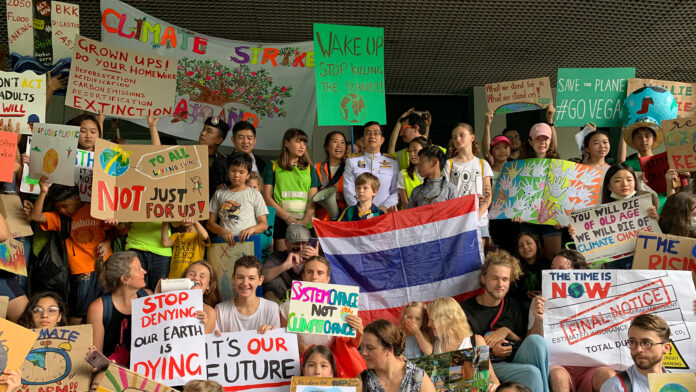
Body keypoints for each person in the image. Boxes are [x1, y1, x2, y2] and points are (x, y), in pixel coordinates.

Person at [460, 249, 550, 392]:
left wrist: (506, 331)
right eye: (495, 278)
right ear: (483, 279)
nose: (500, 284)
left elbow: (522, 342)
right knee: (531, 372)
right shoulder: (465, 310)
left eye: (505, 279)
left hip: (514, 360)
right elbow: (463, 354)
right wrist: (490, 351)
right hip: (487, 366)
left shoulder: (513, 305)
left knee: (536, 341)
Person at [526, 249, 616, 392]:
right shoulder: (540, 300)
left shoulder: (600, 296)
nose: (554, 273)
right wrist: (538, 319)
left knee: (609, 376)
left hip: (593, 365)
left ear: (578, 272)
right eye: (552, 269)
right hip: (559, 365)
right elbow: (532, 342)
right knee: (559, 377)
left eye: (561, 269)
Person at [27, 178, 112, 324]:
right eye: (58, 207)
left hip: (105, 265)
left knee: (105, 309)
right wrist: (43, 192)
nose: (61, 210)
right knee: (79, 312)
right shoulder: (61, 218)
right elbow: (35, 216)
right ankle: (75, 345)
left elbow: (112, 230)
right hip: (81, 271)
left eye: (65, 206)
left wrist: (107, 243)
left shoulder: (95, 209)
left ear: (78, 199)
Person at [279, 256, 363, 355]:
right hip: (298, 362)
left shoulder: (343, 307)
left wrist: (359, 333)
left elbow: (352, 347)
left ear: (327, 279)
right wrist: (301, 348)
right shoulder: (287, 307)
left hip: (332, 364)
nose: (314, 277)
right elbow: (283, 343)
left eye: (320, 273)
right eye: (310, 272)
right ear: (303, 276)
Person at [86, 251, 152, 366]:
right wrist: (108, 369)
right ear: (124, 279)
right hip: (111, 375)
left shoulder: (149, 298)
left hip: (145, 374)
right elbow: (94, 357)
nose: (144, 272)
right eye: (138, 269)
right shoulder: (98, 308)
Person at [262, 128, 320, 251]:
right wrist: (288, 219)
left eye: (304, 143)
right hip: (282, 223)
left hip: (306, 224)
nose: (302, 146)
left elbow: (313, 199)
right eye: (298, 142)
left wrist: (305, 221)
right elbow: (266, 197)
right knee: (283, 261)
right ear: (286, 143)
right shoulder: (272, 166)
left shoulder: (310, 169)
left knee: (305, 263)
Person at [428, 297, 500, 389]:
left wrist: (495, 386)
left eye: (432, 320)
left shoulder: (476, 341)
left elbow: (491, 378)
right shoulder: (434, 346)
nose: (429, 324)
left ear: (446, 319)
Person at [516, 122, 563, 260]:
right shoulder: (520, 165)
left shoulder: (558, 164)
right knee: (528, 264)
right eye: (538, 138)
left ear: (550, 141)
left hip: (551, 222)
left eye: (546, 138)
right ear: (530, 141)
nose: (542, 142)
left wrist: (560, 217)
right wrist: (515, 211)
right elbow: (515, 194)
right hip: (527, 221)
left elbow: (562, 194)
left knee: (554, 261)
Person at [442, 123, 493, 246]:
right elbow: (445, 195)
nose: (457, 139)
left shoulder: (483, 164)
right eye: (454, 137)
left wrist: (476, 216)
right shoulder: (448, 164)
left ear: (472, 137)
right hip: (457, 220)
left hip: (479, 220)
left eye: (461, 135)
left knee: (479, 259)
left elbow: (488, 195)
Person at [207, 151, 269, 246]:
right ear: (228, 171)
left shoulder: (255, 194)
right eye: (233, 170)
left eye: (241, 172)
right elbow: (210, 223)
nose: (236, 175)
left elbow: (264, 224)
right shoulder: (219, 193)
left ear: (248, 175)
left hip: (248, 243)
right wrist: (223, 231)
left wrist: (251, 229)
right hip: (224, 245)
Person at [600, 314, 672, 392]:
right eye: (632, 342)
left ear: (666, 348)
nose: (638, 349)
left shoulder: (679, 383)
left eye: (646, 342)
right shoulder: (615, 387)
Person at [360, 319, 436, 392]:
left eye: (370, 348)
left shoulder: (418, 378)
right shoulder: (360, 380)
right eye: (362, 347)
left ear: (389, 349)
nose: (363, 352)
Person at [344, 122, 399, 213]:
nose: (372, 136)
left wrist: (383, 208)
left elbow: (396, 191)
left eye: (376, 133)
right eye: (368, 133)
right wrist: (361, 210)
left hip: (385, 214)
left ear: (382, 140)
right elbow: (348, 190)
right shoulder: (352, 161)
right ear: (362, 140)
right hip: (360, 216)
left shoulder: (392, 162)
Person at [215, 256, 279, 333]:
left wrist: (271, 333)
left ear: (260, 280)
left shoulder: (271, 308)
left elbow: (276, 342)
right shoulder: (221, 310)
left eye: (251, 278)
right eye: (240, 277)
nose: (245, 283)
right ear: (233, 278)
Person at [262, 223, 318, 303]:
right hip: (282, 299)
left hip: (306, 301)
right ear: (286, 243)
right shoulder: (277, 257)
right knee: (271, 283)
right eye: (296, 243)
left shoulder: (316, 258)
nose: (301, 248)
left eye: (304, 243)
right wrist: (284, 266)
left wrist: (315, 261)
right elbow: (261, 278)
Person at [315, 131, 348, 220]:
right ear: (326, 147)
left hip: (344, 218)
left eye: (342, 142)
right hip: (321, 218)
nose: (339, 145)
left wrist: (340, 196)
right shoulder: (316, 167)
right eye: (335, 141)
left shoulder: (350, 168)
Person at [197, 116, 230, 195]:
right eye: (203, 129)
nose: (203, 133)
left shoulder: (224, 163)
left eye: (209, 131)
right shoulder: (186, 155)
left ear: (219, 140)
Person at [513, 233, 550, 302]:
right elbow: (512, 291)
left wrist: (543, 294)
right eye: (520, 246)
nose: (525, 247)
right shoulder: (514, 267)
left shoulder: (548, 265)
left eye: (529, 243)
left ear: (537, 244)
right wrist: (525, 294)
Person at [397, 137, 428, 208]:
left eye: (415, 150)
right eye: (410, 151)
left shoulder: (433, 174)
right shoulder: (403, 174)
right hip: (409, 216)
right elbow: (405, 204)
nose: (412, 154)